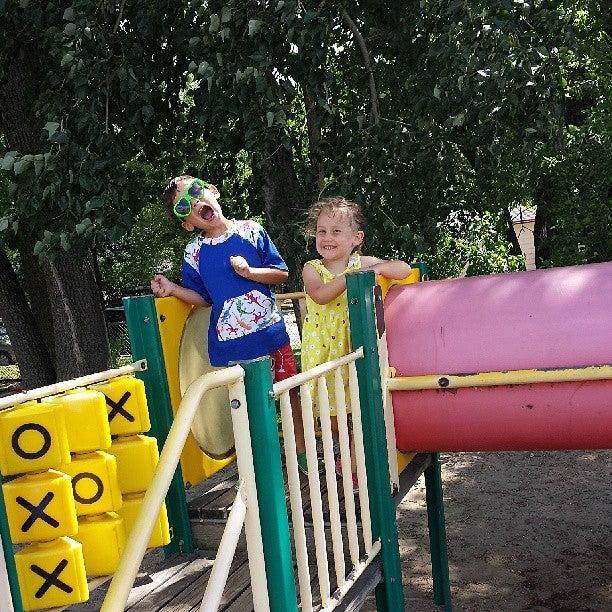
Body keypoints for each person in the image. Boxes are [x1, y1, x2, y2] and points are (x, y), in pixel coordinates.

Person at [151, 175, 308, 468]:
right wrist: (173, 289)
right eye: (184, 205)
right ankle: (257, 465)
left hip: (269, 334)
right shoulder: (194, 252)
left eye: (196, 191)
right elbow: (203, 297)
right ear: (187, 223)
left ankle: (301, 453)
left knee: (289, 396)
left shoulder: (251, 231)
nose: (195, 201)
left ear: (213, 192)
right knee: (244, 407)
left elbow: (281, 273)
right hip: (232, 345)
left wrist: (250, 272)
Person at [301, 196, 411, 489]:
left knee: (358, 406)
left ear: (356, 238)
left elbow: (403, 269)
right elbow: (321, 295)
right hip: (324, 349)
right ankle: (341, 454)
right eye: (321, 231)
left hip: (355, 343)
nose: (327, 237)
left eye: (336, 231)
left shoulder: (362, 262)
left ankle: (350, 463)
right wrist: (357, 275)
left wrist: (379, 268)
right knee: (332, 412)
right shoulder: (312, 268)